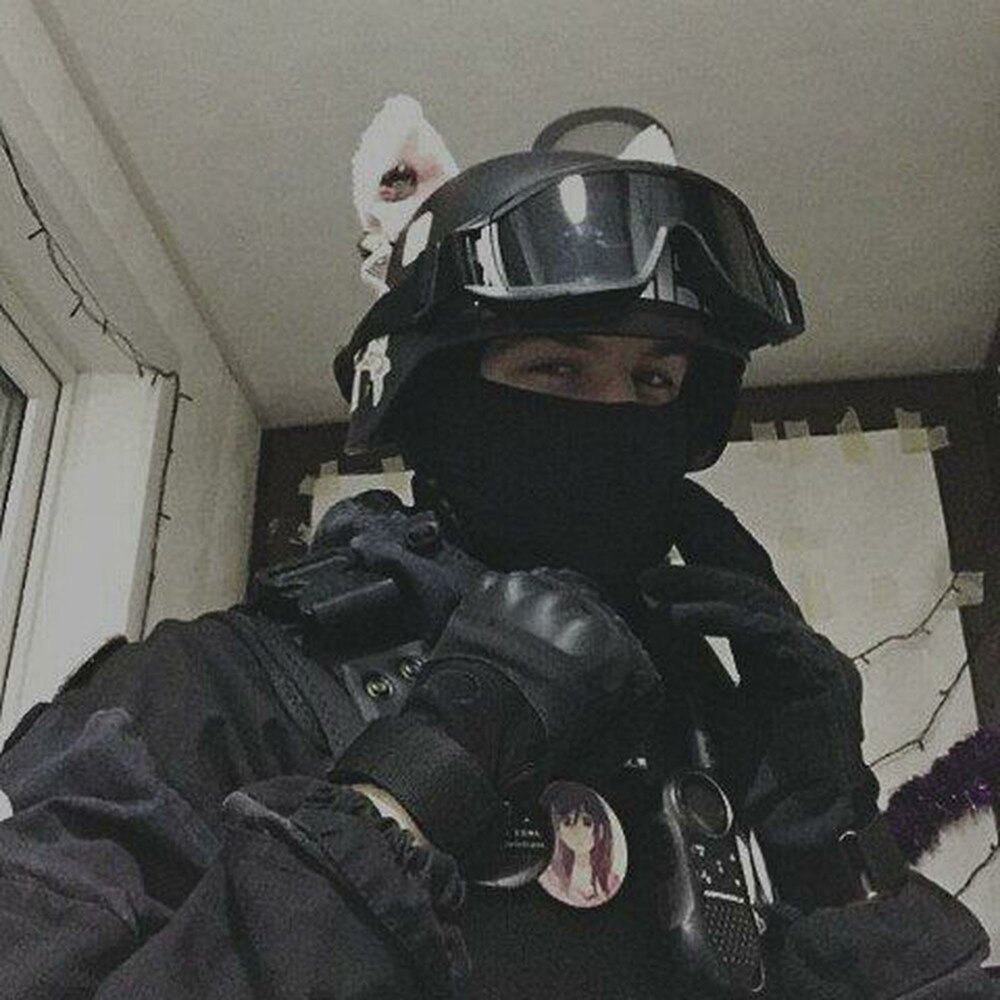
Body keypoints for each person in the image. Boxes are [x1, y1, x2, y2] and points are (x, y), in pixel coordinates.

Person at [0, 107, 996, 1000]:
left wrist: (829, 841)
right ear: (436, 403)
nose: (617, 417)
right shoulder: (214, 686)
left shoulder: (697, 719)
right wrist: (416, 782)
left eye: (654, 383)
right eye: (558, 367)